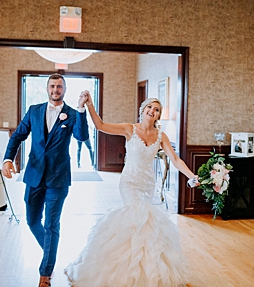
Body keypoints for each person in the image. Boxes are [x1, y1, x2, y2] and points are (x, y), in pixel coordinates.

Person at [63, 95, 196, 286]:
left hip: (147, 184)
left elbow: (175, 160)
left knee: (145, 225)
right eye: (149, 107)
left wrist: (191, 176)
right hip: (130, 183)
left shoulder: (161, 136)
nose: (152, 111)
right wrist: (90, 105)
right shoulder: (130, 129)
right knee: (136, 218)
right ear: (142, 110)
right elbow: (100, 126)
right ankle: (124, 272)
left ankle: (145, 271)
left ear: (158, 115)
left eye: (157, 109)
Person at [1, 74, 89, 287]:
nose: (55, 90)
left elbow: (82, 136)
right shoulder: (34, 110)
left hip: (58, 178)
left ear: (64, 90)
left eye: (59, 86)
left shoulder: (72, 114)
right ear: (46, 88)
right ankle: (51, 251)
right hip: (33, 175)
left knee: (51, 225)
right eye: (52, 86)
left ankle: (45, 275)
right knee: (32, 221)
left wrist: (80, 109)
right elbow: (17, 136)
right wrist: (7, 159)